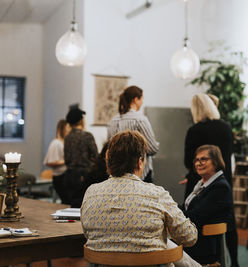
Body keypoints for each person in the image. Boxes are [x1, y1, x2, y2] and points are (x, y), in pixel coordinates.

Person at [81, 130, 200, 267]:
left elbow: (87, 233)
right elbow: (189, 237)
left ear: (108, 160)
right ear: (140, 162)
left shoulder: (91, 193)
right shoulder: (156, 194)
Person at [182, 93, 239, 267]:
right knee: (228, 225)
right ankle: (234, 261)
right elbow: (228, 158)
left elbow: (187, 162)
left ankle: (198, 261)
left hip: (200, 182)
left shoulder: (195, 130)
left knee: (194, 220)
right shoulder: (226, 128)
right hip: (223, 181)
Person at [182, 145, 234, 265]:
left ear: (216, 162)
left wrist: (171, 212)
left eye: (203, 159)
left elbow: (196, 216)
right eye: (196, 160)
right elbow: (187, 208)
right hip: (194, 238)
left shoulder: (220, 187)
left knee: (162, 246)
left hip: (205, 246)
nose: (198, 163)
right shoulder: (201, 184)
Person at [107, 85, 159, 183]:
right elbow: (152, 148)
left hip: (117, 173)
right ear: (135, 99)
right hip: (139, 175)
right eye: (142, 99)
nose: (142, 102)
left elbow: (109, 148)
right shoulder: (140, 119)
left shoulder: (113, 120)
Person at [64, 107, 98, 208]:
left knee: (72, 206)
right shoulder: (87, 136)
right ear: (80, 120)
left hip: (69, 175)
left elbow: (67, 158)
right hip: (84, 176)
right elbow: (96, 155)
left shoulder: (67, 137)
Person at [43, 119, 70, 203]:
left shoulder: (66, 142)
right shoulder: (56, 143)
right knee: (66, 201)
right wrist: (68, 161)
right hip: (60, 177)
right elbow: (50, 162)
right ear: (62, 129)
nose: (70, 130)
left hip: (65, 176)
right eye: (68, 127)